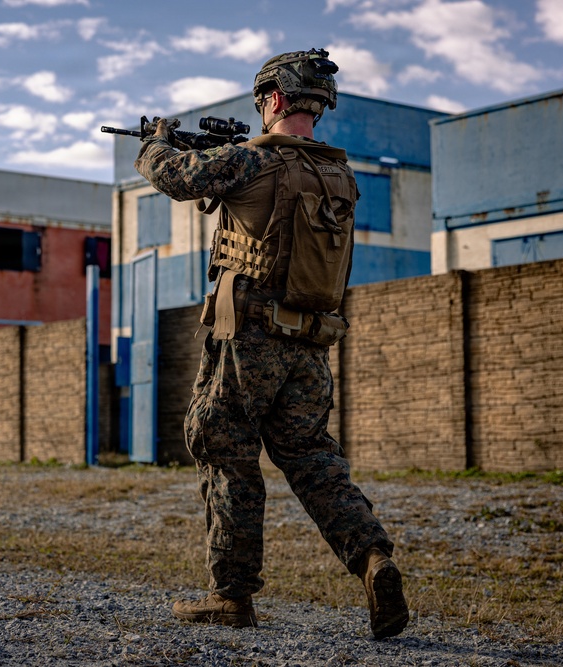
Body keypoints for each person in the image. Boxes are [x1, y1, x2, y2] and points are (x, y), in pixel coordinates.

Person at [133, 48, 409, 639]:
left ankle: (231, 596)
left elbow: (174, 176)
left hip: (249, 339)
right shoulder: (340, 176)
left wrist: (155, 143)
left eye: (263, 101)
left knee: (224, 450)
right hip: (309, 343)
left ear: (275, 99)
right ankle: (372, 558)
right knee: (313, 459)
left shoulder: (252, 162)